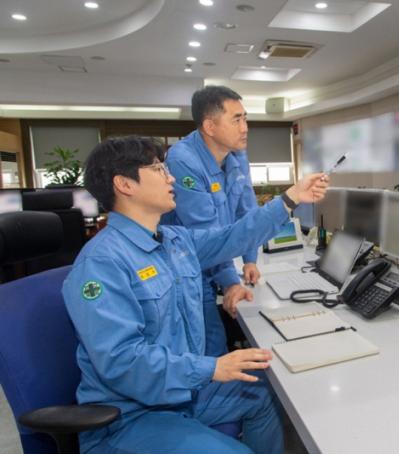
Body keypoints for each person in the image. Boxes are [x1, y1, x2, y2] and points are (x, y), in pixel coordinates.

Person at [62, 136, 328, 453]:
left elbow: (234, 236)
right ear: (125, 184)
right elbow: (121, 361)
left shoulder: (175, 240)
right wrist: (210, 368)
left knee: (266, 393)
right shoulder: (102, 263)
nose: (171, 177)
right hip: (129, 416)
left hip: (184, 394)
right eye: (158, 169)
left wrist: (290, 198)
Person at [162, 86, 263, 356]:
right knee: (208, 348)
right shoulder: (183, 160)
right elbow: (206, 233)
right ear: (210, 126)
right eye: (237, 120)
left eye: (245, 118)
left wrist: (250, 259)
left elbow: (247, 209)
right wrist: (230, 281)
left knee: (218, 341)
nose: (245, 128)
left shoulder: (236, 153)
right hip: (187, 268)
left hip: (216, 258)